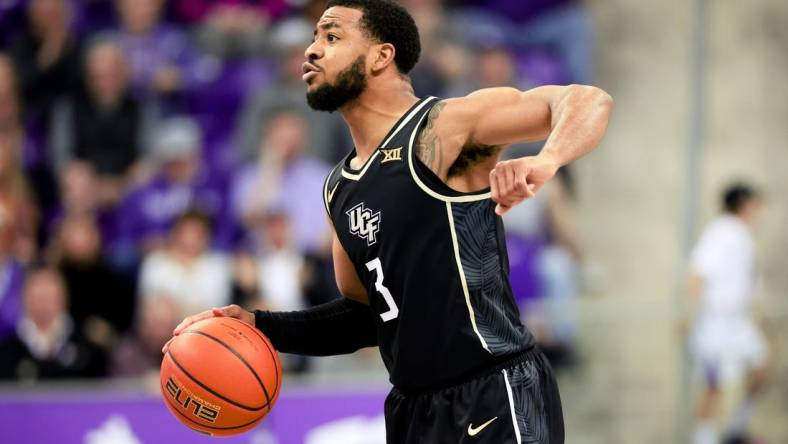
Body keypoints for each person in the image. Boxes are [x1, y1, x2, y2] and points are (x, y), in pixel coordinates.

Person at [167, 1, 612, 442]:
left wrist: (547, 160)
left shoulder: (442, 128)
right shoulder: (339, 187)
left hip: (491, 387)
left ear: (382, 55)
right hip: (412, 410)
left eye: (332, 36)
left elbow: (587, 100)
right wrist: (259, 324)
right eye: (313, 37)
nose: (312, 50)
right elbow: (367, 317)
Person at [687, 184, 770, 444]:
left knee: (760, 369)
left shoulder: (742, 236)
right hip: (716, 323)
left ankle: (736, 430)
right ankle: (704, 439)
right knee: (713, 386)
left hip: (737, 322)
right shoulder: (723, 231)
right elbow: (697, 273)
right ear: (745, 204)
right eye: (756, 205)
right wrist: (691, 316)